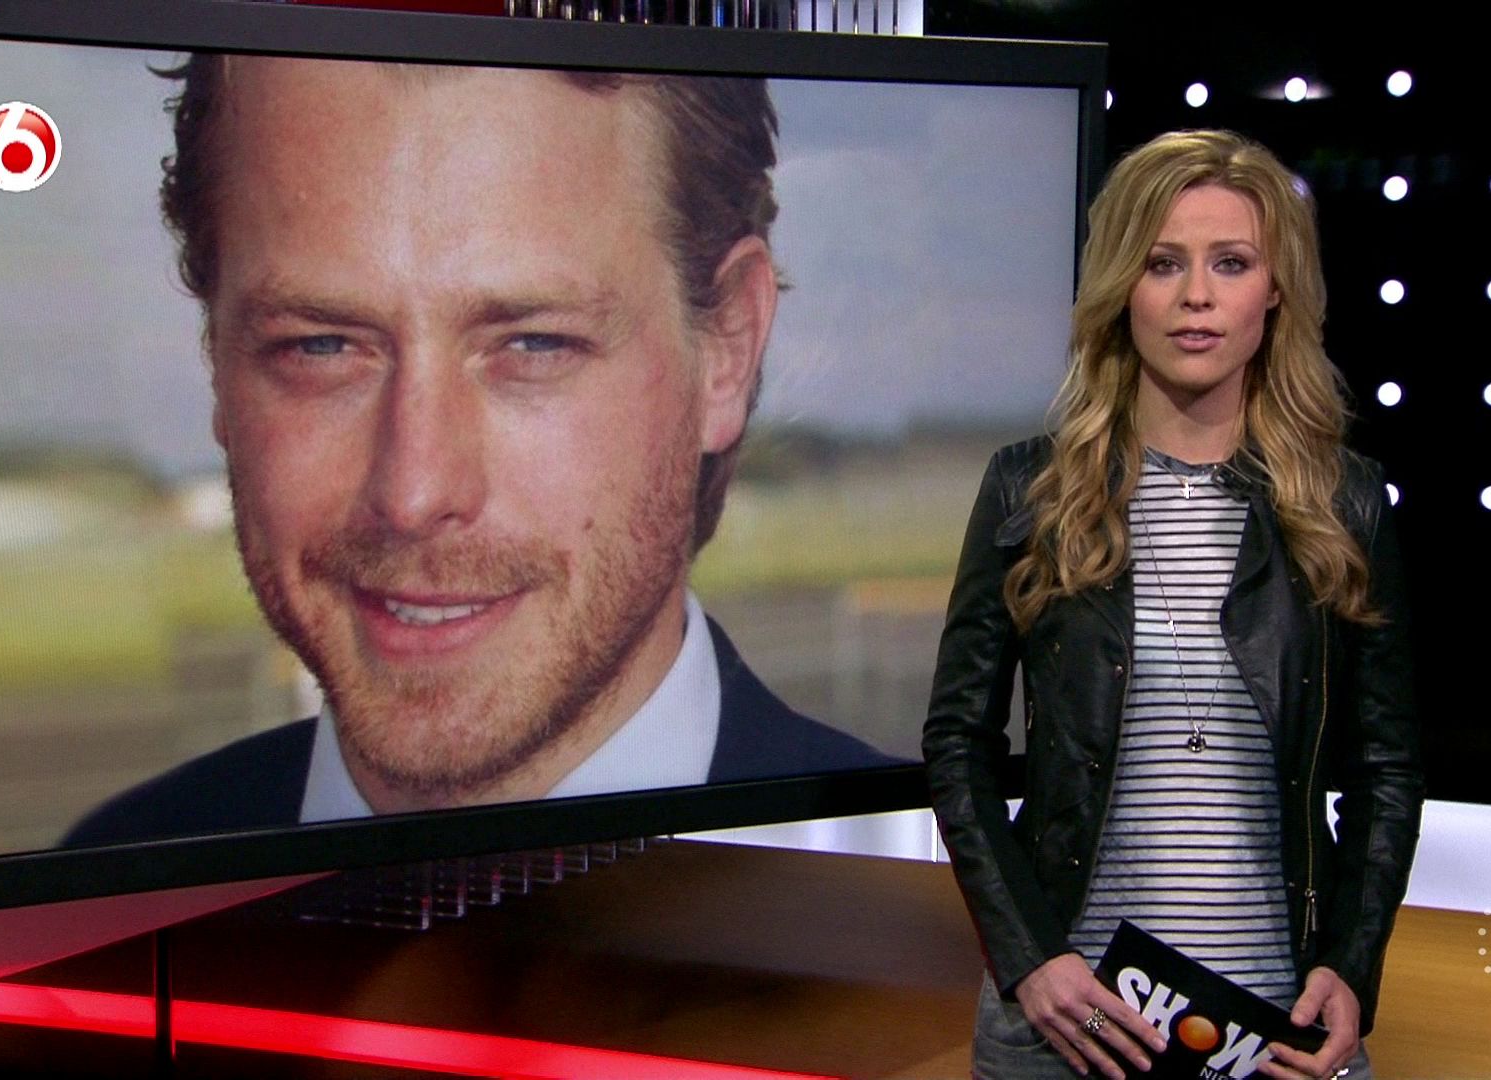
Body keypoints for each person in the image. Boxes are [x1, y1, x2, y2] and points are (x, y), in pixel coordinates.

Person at [67, 55, 894, 846]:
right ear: (216, 359)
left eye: (533, 344)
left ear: (727, 349)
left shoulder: (934, 902)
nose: (415, 493)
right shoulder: (101, 891)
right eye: (320, 346)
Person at [922, 129, 1424, 1080]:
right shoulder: (1032, 490)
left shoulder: (1343, 501)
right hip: (1070, 1019)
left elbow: (1385, 769)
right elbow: (958, 742)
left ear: (1275, 290)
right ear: (1122, 287)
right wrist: (1029, 958)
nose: (1197, 295)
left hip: (1278, 1022)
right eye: (1163, 263)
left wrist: (1353, 967)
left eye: (1230, 263)